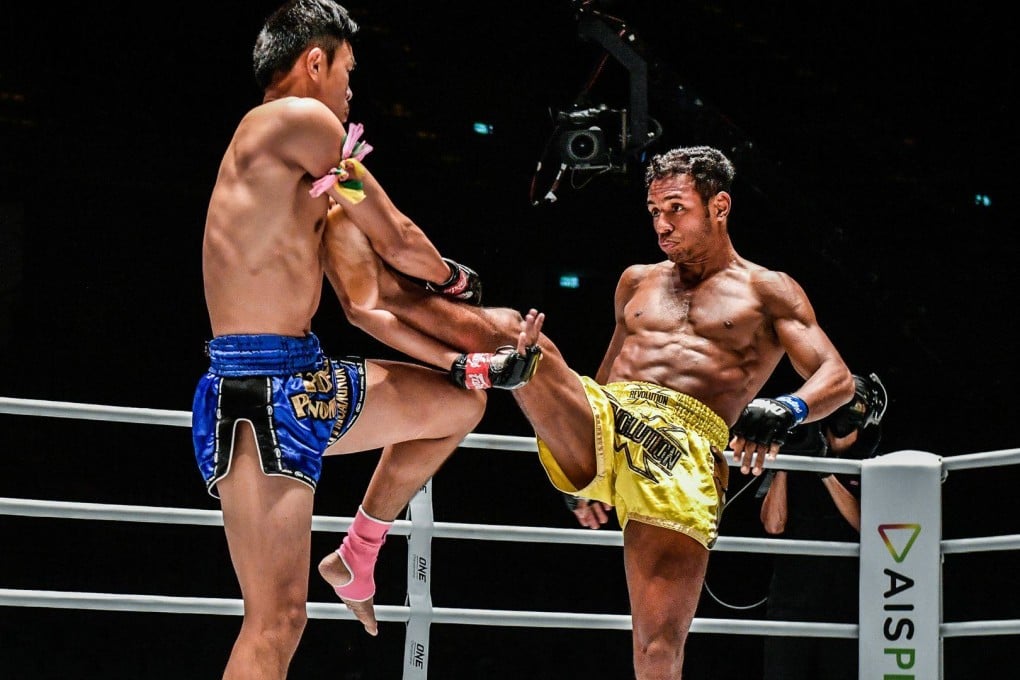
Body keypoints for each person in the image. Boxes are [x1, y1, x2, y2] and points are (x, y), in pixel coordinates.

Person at [316, 145, 856, 678]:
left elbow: (837, 379)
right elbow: (603, 380)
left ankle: (393, 295)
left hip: (683, 449)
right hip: (605, 417)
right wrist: (575, 448)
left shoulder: (769, 290)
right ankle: (381, 285)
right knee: (517, 336)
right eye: (653, 212)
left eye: (676, 209)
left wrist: (789, 408)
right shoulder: (637, 280)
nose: (662, 225)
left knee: (659, 648)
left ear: (720, 207)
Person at [191, 2, 536, 677]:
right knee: (276, 620)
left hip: (308, 381)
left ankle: (358, 552)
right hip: (256, 393)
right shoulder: (294, 120)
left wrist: (466, 365)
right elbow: (399, 238)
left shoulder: (312, 186)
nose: (350, 94)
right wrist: (458, 282)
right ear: (314, 62)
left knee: (458, 405)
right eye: (347, 73)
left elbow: (366, 306)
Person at [758, 372, 888, 680]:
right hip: (791, 598)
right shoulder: (800, 449)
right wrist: (788, 464)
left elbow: (868, 526)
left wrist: (824, 471)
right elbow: (773, 525)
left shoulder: (875, 464)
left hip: (848, 601)